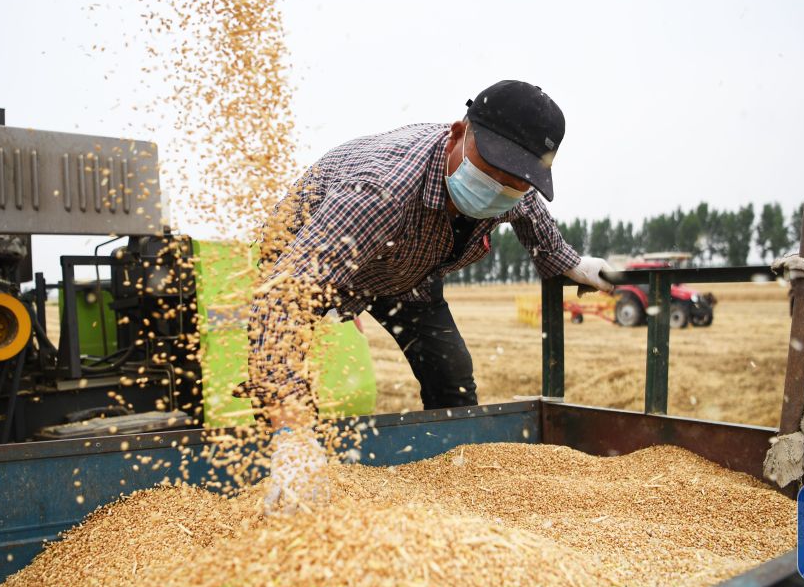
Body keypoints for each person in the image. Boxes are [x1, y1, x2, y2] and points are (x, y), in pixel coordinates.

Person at [244, 80, 615, 512]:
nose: (499, 187)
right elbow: (279, 300)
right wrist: (292, 436)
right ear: (459, 134)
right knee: (281, 386)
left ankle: (454, 483)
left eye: (515, 180)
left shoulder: (515, 187)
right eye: (492, 170)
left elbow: (531, 214)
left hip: (407, 269)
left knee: (452, 376)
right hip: (316, 258)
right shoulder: (377, 192)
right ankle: (277, 471)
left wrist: (572, 264)